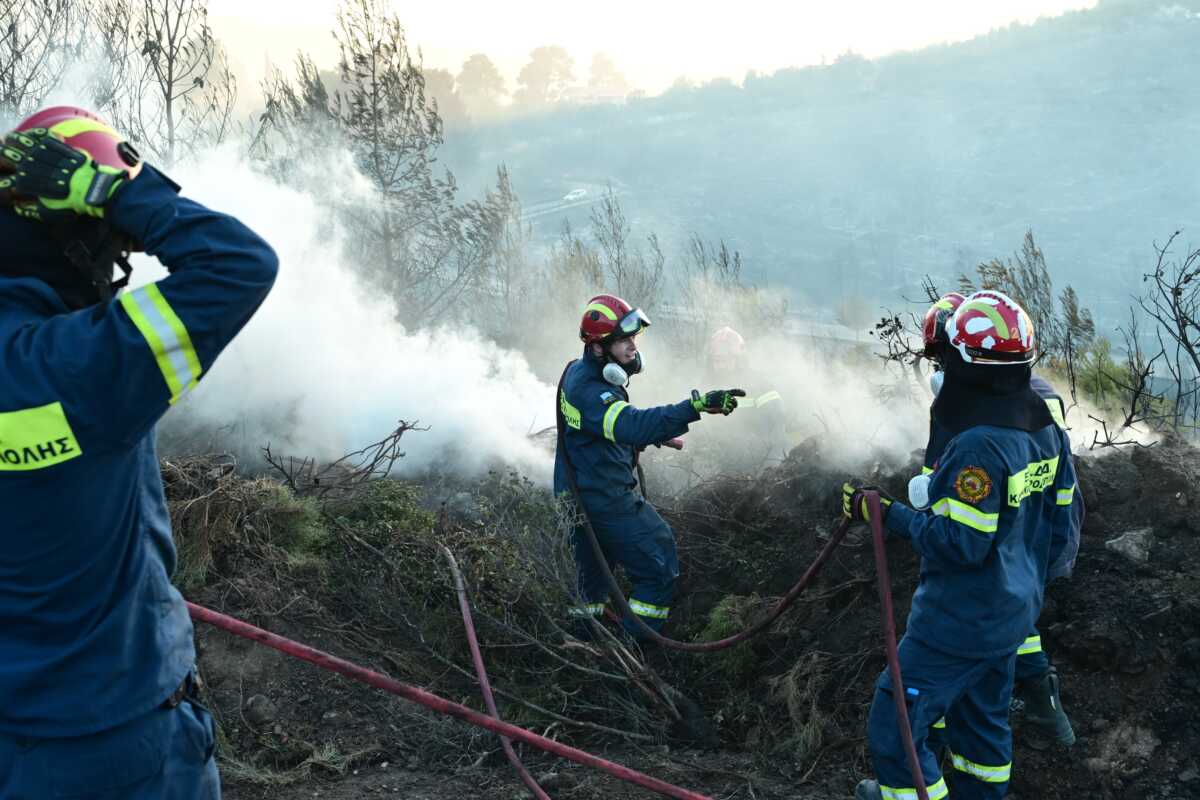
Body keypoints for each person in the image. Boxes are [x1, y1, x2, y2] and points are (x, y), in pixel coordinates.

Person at [0, 107, 278, 799]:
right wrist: (121, 192)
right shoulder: (77, 366)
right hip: (120, 744)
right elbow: (238, 264)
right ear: (77, 241)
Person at [844, 290, 1076, 800]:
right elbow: (1060, 519)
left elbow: (960, 545)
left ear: (967, 364)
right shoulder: (1043, 424)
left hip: (959, 619)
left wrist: (886, 515)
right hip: (1013, 613)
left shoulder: (976, 446)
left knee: (895, 725)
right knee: (981, 734)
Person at [917, 292, 1080, 748]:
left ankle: (949, 723)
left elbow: (938, 489)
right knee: (1017, 614)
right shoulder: (1030, 392)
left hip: (1013, 530)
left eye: (941, 355)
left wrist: (914, 511)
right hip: (1044, 524)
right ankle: (1045, 708)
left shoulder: (974, 403)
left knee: (985, 615)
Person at [553, 294, 743, 638]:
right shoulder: (590, 390)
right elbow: (629, 423)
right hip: (604, 499)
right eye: (624, 340)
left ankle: (585, 645)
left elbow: (596, 433)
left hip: (579, 496)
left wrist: (642, 438)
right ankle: (636, 652)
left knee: (591, 582)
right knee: (658, 561)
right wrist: (694, 406)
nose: (633, 349)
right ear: (598, 348)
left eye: (634, 339)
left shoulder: (581, 375)